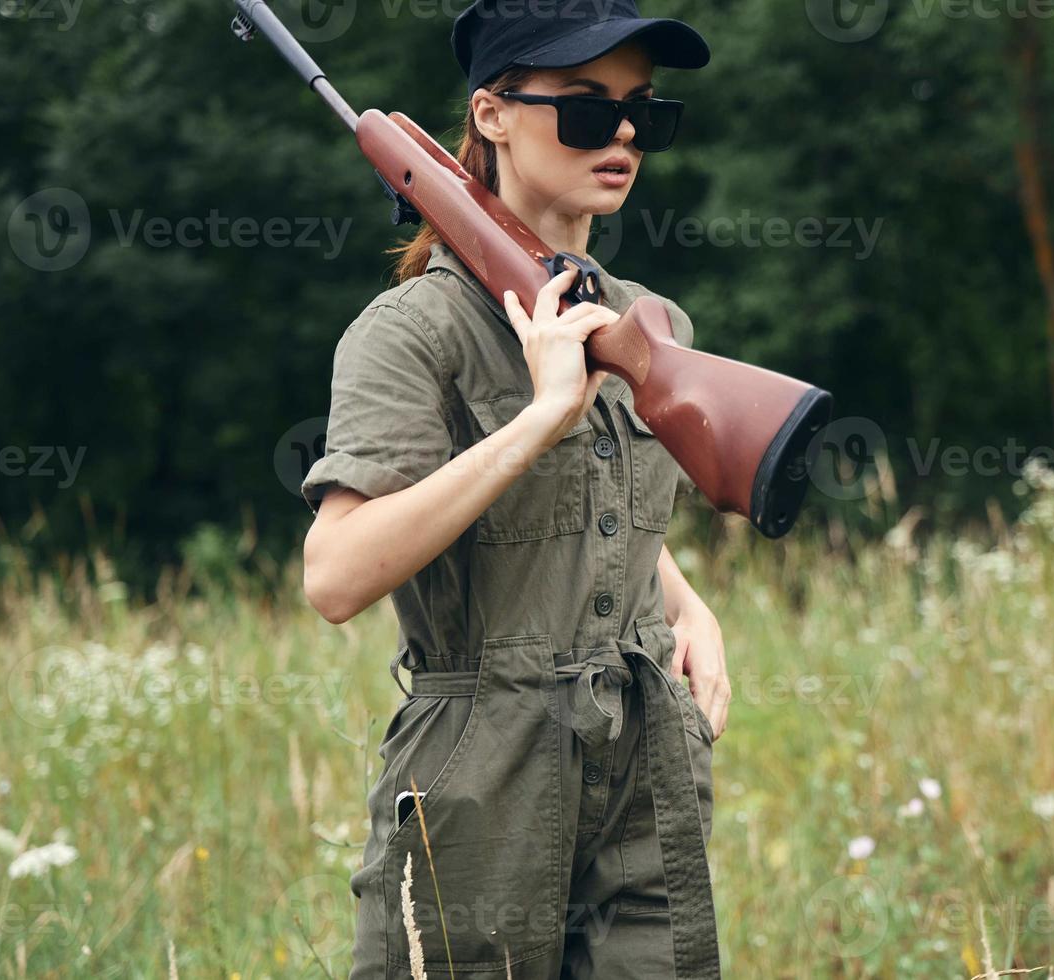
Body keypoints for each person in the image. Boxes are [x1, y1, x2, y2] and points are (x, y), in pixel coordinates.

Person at [298, 1, 730, 975]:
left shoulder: (652, 323)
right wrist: (539, 419)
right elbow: (335, 575)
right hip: (482, 768)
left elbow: (592, 509)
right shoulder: (414, 331)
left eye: (643, 113)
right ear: (492, 115)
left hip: (643, 763)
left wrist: (687, 605)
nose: (621, 133)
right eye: (584, 108)